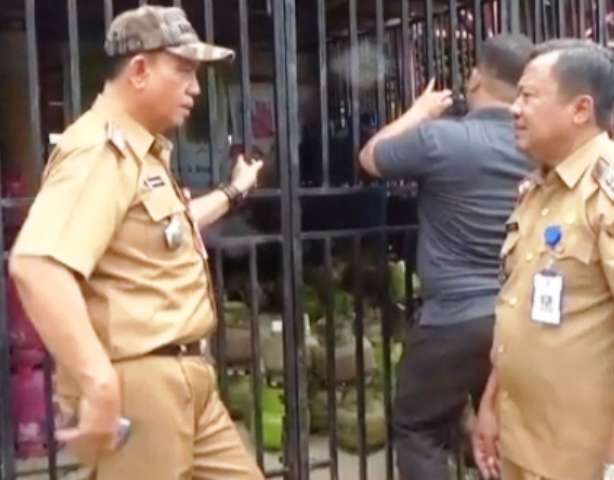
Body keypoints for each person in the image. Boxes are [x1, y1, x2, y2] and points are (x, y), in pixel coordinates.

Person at [8, 6, 265, 480]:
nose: (195, 87)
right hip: (141, 384)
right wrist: (98, 380)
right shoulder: (99, 150)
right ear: (140, 70)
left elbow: (169, 229)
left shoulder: (140, 152)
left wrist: (235, 190)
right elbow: (37, 265)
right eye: (184, 69)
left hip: (184, 380)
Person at [358, 33, 534, 480]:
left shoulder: (442, 139)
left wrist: (418, 112)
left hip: (453, 319)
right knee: (510, 433)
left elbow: (370, 157)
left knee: (418, 428)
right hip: (520, 317)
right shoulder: (539, 148)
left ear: (475, 78)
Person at [472, 39, 614, 480]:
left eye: (529, 96)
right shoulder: (538, 189)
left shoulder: (604, 194)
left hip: (582, 458)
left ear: (580, 109)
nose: (515, 109)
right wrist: (491, 404)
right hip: (524, 444)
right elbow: (521, 307)